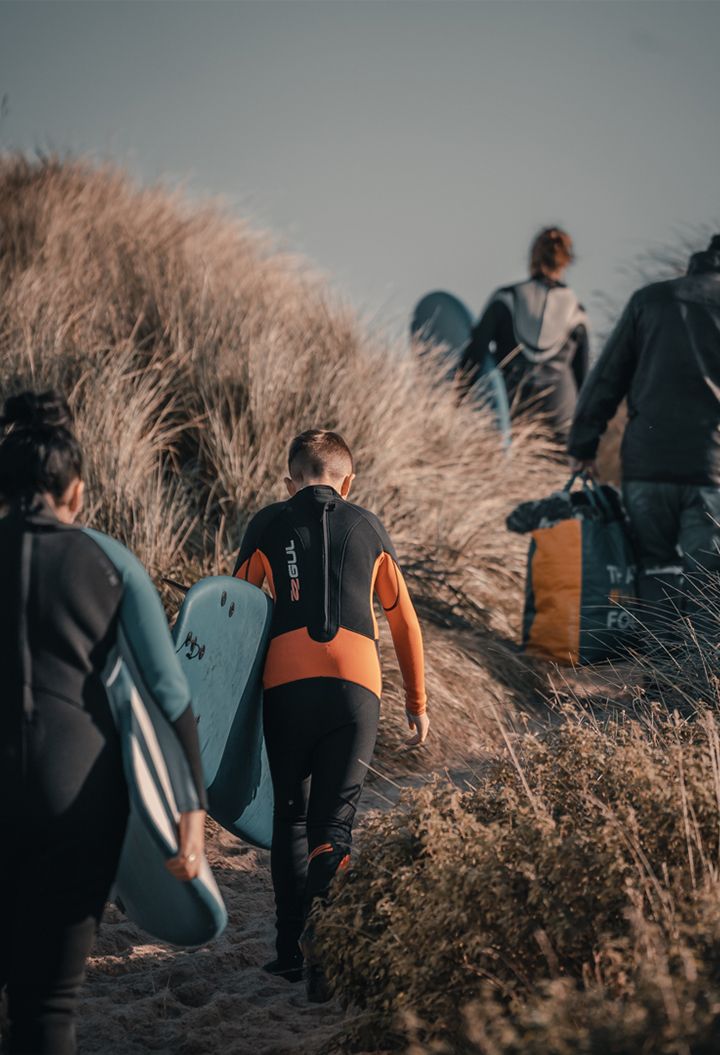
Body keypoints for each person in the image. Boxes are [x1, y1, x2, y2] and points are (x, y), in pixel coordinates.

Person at [0, 390, 207, 1055]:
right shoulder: (110, 563)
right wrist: (192, 805)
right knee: (47, 1006)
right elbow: (171, 693)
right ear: (78, 493)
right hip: (79, 796)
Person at [233, 429, 428, 1000]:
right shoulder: (367, 525)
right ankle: (329, 957)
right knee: (333, 827)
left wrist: (226, 707)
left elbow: (236, 611)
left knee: (289, 819)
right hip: (355, 687)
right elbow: (404, 622)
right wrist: (417, 703)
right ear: (348, 482)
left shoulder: (267, 523)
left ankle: (289, 953)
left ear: (290, 481)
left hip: (286, 686)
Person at [567, 234, 720, 638]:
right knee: (709, 580)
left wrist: (584, 445)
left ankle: (659, 671)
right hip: (713, 471)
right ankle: (699, 683)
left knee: (657, 570)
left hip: (647, 465)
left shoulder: (650, 300)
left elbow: (605, 379)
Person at [460, 227, 590, 440]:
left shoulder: (506, 298)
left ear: (533, 257)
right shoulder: (577, 312)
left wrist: (457, 397)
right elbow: (583, 379)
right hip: (560, 418)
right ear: (566, 261)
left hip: (511, 413)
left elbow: (475, 353)